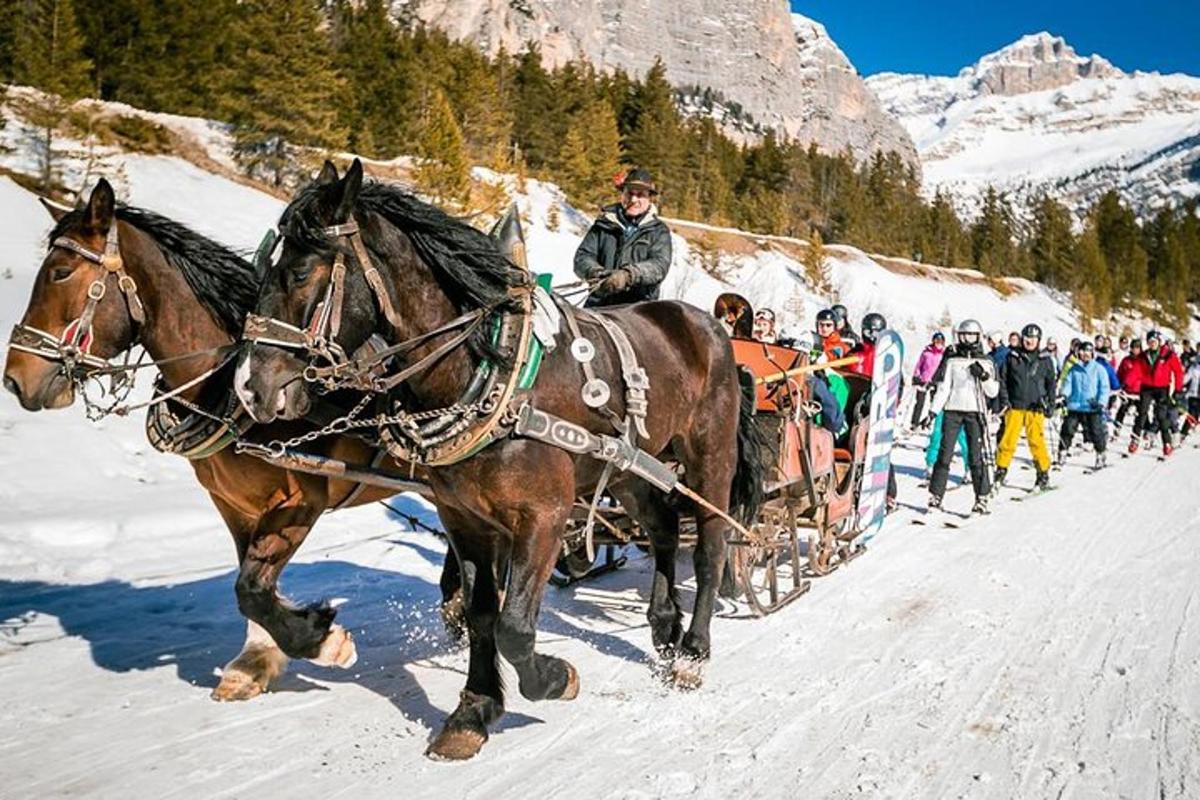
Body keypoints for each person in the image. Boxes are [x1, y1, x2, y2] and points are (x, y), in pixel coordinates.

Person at [924, 319, 999, 515]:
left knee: (975, 456)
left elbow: (993, 391)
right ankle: (935, 496)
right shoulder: (952, 360)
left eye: (971, 336)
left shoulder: (986, 361)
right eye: (963, 336)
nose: (967, 340)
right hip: (952, 410)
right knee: (944, 454)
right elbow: (944, 388)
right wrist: (932, 411)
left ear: (978, 337)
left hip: (975, 412)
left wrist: (983, 376)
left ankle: (981, 497)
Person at [573, 168, 672, 307]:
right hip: (598, 306)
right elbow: (582, 257)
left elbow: (659, 266)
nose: (633, 199)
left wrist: (628, 276)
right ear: (622, 194)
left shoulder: (659, 231)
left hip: (638, 311)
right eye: (629, 193)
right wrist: (595, 272)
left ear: (649, 198)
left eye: (640, 195)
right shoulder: (603, 224)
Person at [993, 323, 1056, 490]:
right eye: (1027, 338)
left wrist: (1051, 403)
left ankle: (1043, 473)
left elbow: (1051, 384)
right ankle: (1000, 471)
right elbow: (1003, 380)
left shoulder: (1045, 360)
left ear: (1038, 340)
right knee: (1008, 441)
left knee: (1036, 441)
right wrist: (1005, 400)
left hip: (1036, 407)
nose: (1029, 341)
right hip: (1015, 406)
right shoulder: (1012, 357)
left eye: (1033, 338)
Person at [1131, 330, 1185, 456]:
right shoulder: (1144, 356)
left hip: (1162, 388)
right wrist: (1126, 384)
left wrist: (1178, 389)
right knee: (1142, 413)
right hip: (1147, 387)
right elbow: (1135, 371)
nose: (1152, 344)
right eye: (1150, 342)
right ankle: (1135, 439)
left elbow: (1178, 372)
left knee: (1161, 416)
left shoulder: (1168, 355)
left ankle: (1167, 443)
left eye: (1154, 342)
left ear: (1159, 342)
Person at [1059, 341, 1111, 468]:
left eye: (1087, 352)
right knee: (1067, 429)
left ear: (1092, 353)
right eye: (1082, 352)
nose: (1084, 354)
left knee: (1096, 432)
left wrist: (1101, 403)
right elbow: (1068, 384)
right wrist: (1064, 396)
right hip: (1075, 405)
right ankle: (1062, 452)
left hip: (1092, 407)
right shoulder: (1074, 369)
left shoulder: (1099, 369)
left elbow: (1104, 388)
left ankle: (1100, 453)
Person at [910, 331, 946, 429]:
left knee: (934, 403)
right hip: (923, 380)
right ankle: (914, 423)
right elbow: (919, 365)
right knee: (919, 403)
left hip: (936, 381)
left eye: (940, 341)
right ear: (933, 341)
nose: (938, 343)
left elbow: (944, 368)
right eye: (936, 340)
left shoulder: (944, 354)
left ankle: (929, 422)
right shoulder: (926, 352)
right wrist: (916, 376)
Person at [1113, 338, 1144, 438]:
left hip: (1139, 391)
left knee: (1142, 413)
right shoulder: (1126, 360)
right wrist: (1118, 385)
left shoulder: (1144, 361)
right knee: (1123, 409)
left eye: (1137, 348)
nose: (1135, 350)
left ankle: (1142, 431)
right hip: (1127, 390)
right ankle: (1117, 427)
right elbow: (1120, 373)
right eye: (1133, 347)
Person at [1181, 357, 1200, 440]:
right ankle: (1182, 435)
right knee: (1191, 415)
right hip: (1194, 395)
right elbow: (1185, 379)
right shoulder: (1194, 367)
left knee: (1194, 416)